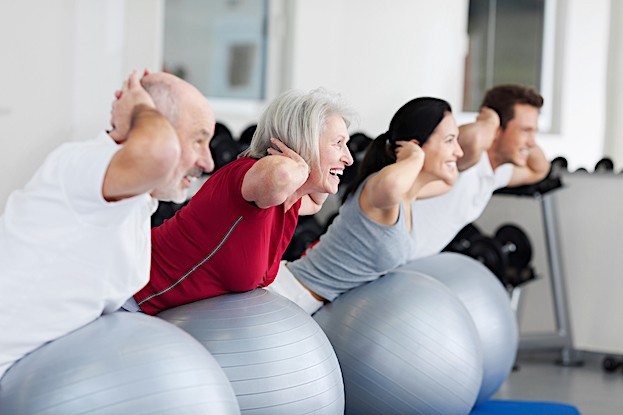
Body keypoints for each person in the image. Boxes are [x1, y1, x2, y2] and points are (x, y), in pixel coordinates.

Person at [0, 70, 216, 380]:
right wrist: (139, 107)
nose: (208, 162)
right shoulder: (83, 163)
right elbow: (159, 154)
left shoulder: (137, 201)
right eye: (198, 140)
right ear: (156, 126)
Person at [125, 88, 354, 315]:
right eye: (338, 143)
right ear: (306, 141)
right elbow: (282, 175)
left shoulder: (285, 200)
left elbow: (315, 203)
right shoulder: (250, 177)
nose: (349, 158)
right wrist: (307, 164)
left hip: (156, 317)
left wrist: (322, 172)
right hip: (129, 297)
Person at [267, 97, 466, 314]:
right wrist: (415, 155)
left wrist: (418, 156)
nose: (459, 151)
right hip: (289, 295)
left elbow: (450, 181)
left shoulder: (409, 195)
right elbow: (392, 185)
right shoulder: (379, 190)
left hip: (309, 305)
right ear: (415, 147)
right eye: (449, 140)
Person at [411, 84, 551, 259]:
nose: (532, 143)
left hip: (402, 264)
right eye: (525, 131)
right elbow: (475, 139)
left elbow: (540, 169)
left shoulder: (498, 172)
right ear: (498, 129)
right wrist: (490, 121)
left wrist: (525, 138)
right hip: (378, 255)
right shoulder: (462, 158)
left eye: (534, 132)